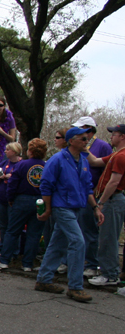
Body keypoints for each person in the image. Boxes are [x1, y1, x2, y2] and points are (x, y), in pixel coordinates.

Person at [35, 126, 103, 302]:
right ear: (71, 141)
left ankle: (43, 279)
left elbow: (87, 187)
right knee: (78, 242)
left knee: (58, 243)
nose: (86, 141)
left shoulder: (83, 161)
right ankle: (75, 286)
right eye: (82, 138)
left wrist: (95, 208)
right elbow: (46, 185)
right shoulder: (57, 160)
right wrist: (48, 208)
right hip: (62, 207)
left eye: (87, 138)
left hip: (76, 208)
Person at [0, 139, 46, 272]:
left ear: (30, 151)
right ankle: (27, 263)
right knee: (34, 234)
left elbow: (12, 183)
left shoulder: (22, 165)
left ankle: (4, 260)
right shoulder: (46, 166)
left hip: (22, 200)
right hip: (40, 200)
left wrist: (10, 198)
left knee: (12, 231)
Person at [86, 124, 125, 288]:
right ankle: (109, 271)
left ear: (122, 136)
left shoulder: (121, 156)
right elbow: (94, 161)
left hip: (113, 200)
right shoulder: (114, 155)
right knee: (105, 236)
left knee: (108, 237)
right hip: (110, 200)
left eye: (114, 134)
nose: (111, 137)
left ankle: (110, 275)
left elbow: (114, 181)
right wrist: (83, 147)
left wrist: (100, 203)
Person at [72, 116, 111, 278]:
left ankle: (92, 264)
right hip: (77, 194)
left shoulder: (102, 146)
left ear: (89, 130)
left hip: (92, 195)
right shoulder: (76, 146)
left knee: (90, 231)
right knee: (78, 230)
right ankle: (78, 262)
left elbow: (107, 171)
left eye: (82, 129)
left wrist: (97, 192)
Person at [0, 142, 22, 250]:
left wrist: (11, 177)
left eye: (7, 150)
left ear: (14, 151)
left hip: (14, 199)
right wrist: (2, 177)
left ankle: (14, 250)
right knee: (3, 225)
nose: (5, 152)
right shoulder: (4, 163)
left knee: (13, 226)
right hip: (1, 197)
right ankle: (3, 248)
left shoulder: (21, 164)